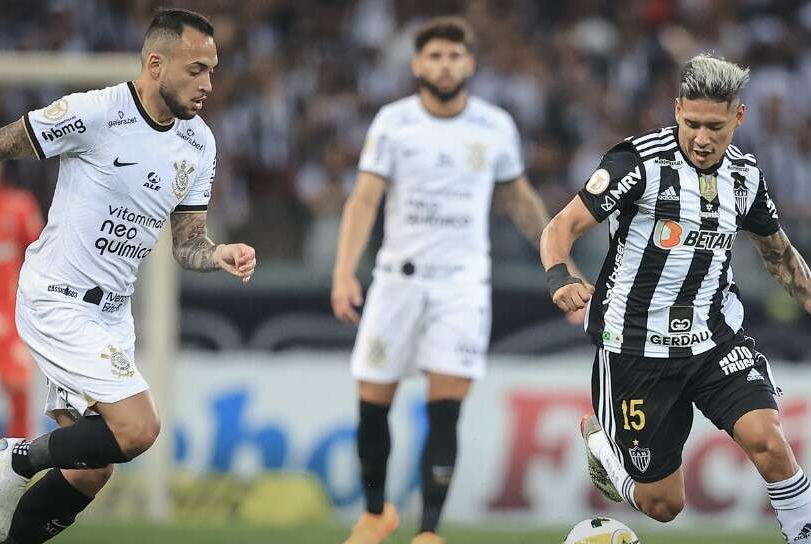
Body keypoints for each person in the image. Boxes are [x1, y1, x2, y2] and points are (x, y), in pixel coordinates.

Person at [0, 8, 256, 543]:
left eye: (212, 70)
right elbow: (6, 143)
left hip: (113, 315)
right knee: (139, 429)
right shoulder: (96, 112)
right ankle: (14, 459)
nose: (208, 83)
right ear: (156, 63)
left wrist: (219, 253)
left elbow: (187, 246)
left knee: (90, 469)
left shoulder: (199, 144)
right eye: (196, 70)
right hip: (58, 298)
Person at [540, 54, 811, 542]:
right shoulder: (636, 163)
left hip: (714, 342)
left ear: (738, 117)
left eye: (714, 126)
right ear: (676, 108)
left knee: (768, 442)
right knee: (663, 505)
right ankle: (605, 449)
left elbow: (779, 257)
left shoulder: (746, 177)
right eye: (691, 123)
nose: (702, 138)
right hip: (635, 349)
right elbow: (561, 226)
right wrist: (561, 276)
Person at [331, 17, 558, 544]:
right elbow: (364, 198)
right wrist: (344, 272)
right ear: (416, 65)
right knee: (372, 402)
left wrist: (556, 259)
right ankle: (375, 512)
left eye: (454, 56)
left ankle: (429, 531)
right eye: (434, 56)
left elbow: (519, 199)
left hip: (461, 284)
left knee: (445, 408)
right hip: (396, 280)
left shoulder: (494, 125)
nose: (444, 65)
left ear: (470, 63)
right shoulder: (393, 122)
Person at [0, 162, 44, 438]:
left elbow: (40, 255)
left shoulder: (20, 205)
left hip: (11, 315)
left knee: (18, 386)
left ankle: (16, 462)